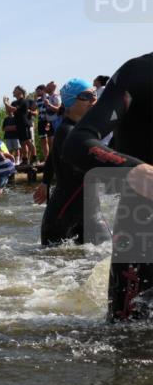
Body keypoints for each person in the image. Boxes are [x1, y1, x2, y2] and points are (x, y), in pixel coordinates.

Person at [59, 53, 153, 321]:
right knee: (130, 345)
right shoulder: (139, 73)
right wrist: (134, 170)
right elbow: (79, 142)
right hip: (143, 230)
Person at [35, 78, 109, 247]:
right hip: (61, 218)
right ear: (70, 101)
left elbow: (51, 157)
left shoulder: (85, 130)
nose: (93, 100)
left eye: (94, 95)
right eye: (86, 96)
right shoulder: (67, 131)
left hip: (91, 214)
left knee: (111, 260)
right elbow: (93, 161)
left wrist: (45, 182)